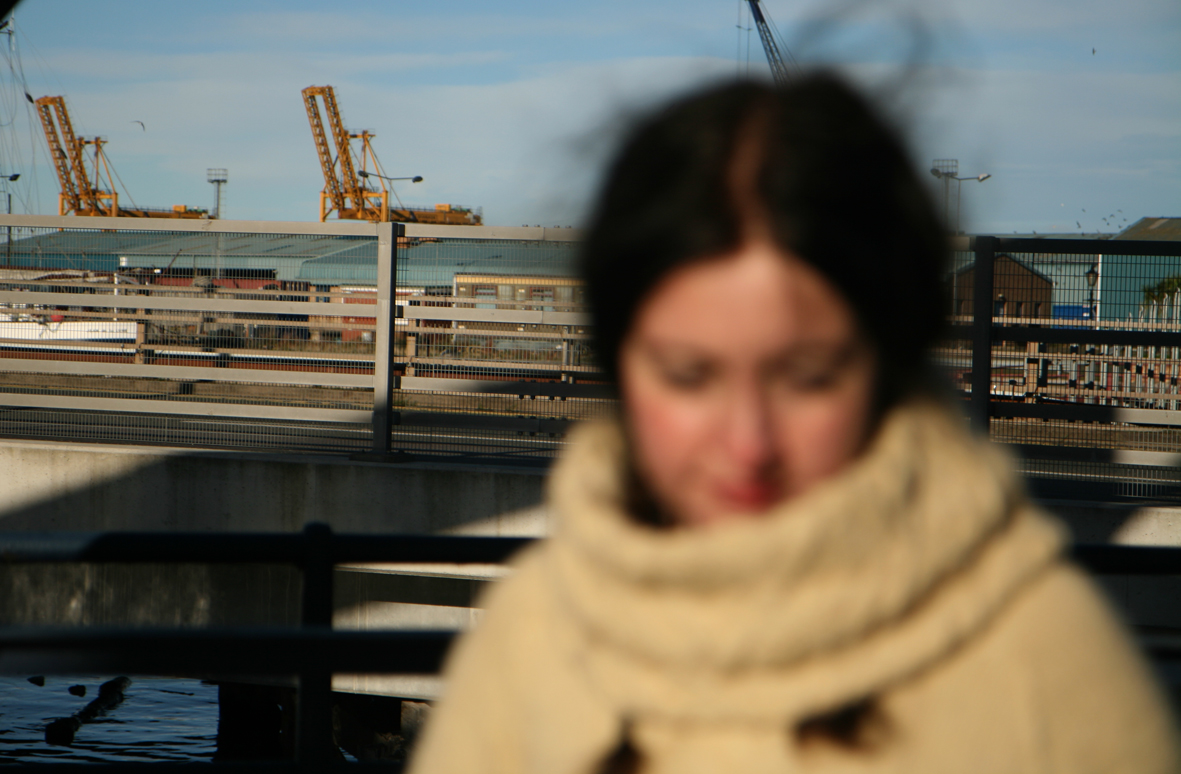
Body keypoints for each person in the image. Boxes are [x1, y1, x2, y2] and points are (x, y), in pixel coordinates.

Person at [408, 74, 1179, 773]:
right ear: (618, 364)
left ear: (887, 359)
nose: (749, 444)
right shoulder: (527, 637)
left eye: (808, 377)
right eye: (688, 375)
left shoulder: (1045, 660)